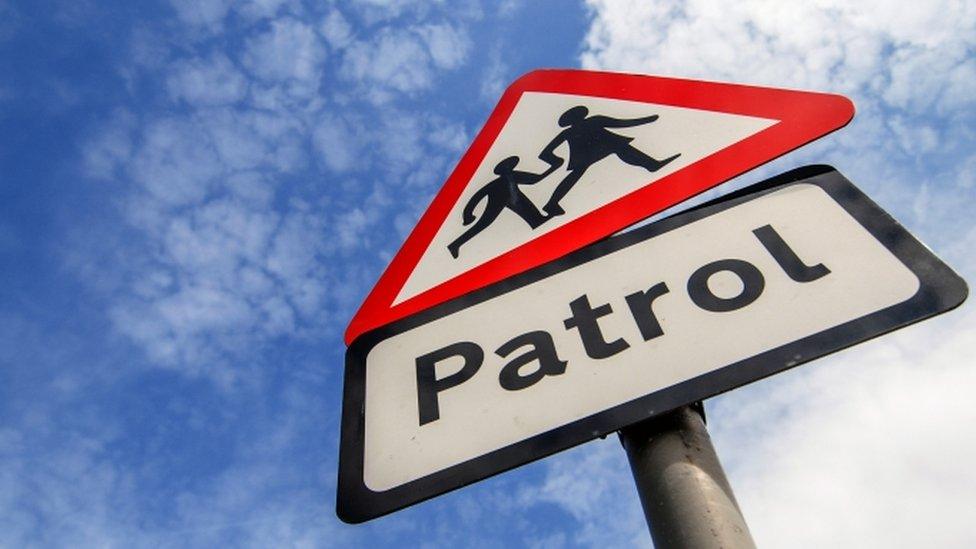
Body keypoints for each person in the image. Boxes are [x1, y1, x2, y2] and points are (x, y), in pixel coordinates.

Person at [538, 105, 681, 215]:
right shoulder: (581, 126)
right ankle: (551, 203)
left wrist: (648, 120)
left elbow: (622, 123)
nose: (578, 119)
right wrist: (555, 162)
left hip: (598, 148)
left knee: (619, 148)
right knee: (618, 148)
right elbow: (545, 153)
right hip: (588, 153)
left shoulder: (590, 122)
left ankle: (651, 164)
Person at [447, 156, 556, 259]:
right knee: (483, 224)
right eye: (506, 168)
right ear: (502, 171)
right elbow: (477, 197)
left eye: (509, 167)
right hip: (499, 202)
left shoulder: (514, 175)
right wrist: (467, 215)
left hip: (516, 199)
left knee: (529, 212)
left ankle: (538, 220)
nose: (509, 169)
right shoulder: (497, 183)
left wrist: (552, 168)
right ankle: (455, 245)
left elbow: (534, 179)